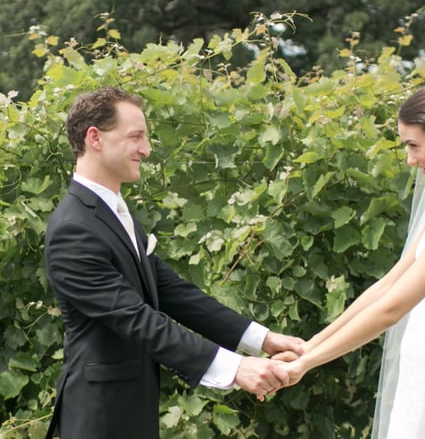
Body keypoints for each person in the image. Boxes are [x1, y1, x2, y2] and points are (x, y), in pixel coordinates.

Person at [43, 86, 305, 439]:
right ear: (95, 138)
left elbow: (170, 292)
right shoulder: (72, 228)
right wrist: (234, 367)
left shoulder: (112, 212)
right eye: (135, 137)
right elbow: (136, 319)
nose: (146, 150)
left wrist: (262, 339)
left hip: (130, 411)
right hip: (100, 418)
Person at [273, 82, 425, 437]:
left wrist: (306, 365)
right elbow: (391, 282)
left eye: (414, 146)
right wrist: (310, 345)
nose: (411, 160)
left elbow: (393, 308)